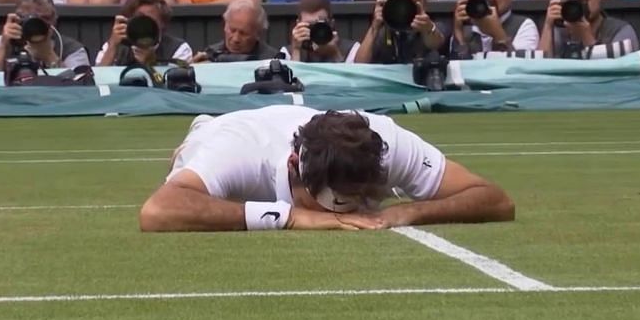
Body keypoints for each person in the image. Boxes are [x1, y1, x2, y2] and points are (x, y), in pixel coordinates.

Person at [139, 105, 515, 232]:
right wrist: (292, 217)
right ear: (294, 169)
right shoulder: (240, 151)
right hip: (218, 131)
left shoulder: (384, 142)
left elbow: (496, 200)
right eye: (337, 203)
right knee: (189, 166)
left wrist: (410, 210)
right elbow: (158, 210)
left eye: (362, 200)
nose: (353, 213)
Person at [0, 0, 90, 71]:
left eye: (45, 18)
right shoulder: (1, 43)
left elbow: (79, 88)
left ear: (55, 19)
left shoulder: (73, 50)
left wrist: (49, 56)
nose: (39, 24)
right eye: (32, 18)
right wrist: (3, 46)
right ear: (18, 18)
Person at [539, 0, 639, 58]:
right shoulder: (561, 29)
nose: (581, 6)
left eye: (585, 0)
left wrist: (586, 37)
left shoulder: (618, 29)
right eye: (574, 2)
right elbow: (540, 65)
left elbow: (614, 70)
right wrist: (548, 26)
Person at [355, 0, 446, 64]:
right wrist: (374, 28)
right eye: (400, 3)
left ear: (425, 3)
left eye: (411, 3)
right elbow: (359, 64)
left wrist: (427, 28)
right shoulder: (384, 31)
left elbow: (435, 43)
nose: (404, 9)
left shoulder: (433, 25)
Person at [450, 0, 539, 58]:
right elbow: (456, 66)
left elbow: (521, 67)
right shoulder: (467, 27)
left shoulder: (524, 25)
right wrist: (458, 31)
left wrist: (498, 34)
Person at [96, 0, 193, 66]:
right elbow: (98, 83)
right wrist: (112, 47)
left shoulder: (179, 49)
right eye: (140, 19)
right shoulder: (114, 46)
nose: (144, 25)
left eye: (150, 20)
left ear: (162, 22)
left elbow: (173, 88)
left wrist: (150, 63)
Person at [191, 0, 281, 62]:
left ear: (258, 34)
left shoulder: (273, 60)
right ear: (225, 25)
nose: (235, 39)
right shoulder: (210, 54)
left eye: (244, 33)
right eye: (232, 30)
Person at [283, 0, 361, 62]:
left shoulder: (351, 49)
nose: (315, 30)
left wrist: (335, 53)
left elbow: (349, 77)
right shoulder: (287, 52)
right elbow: (291, 76)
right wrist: (296, 50)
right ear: (298, 24)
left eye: (319, 24)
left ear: (331, 23)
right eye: (309, 25)